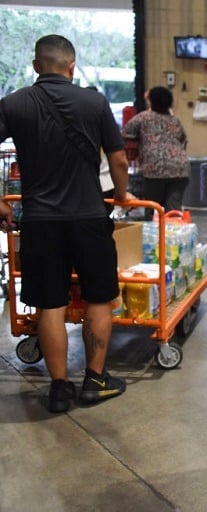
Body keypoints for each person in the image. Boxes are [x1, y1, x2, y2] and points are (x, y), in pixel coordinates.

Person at [0, 34, 134, 413]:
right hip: (90, 217)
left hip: (40, 220)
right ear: (72, 66)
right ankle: (95, 381)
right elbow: (119, 159)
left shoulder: (14, 103)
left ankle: (59, 388)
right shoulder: (94, 102)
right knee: (99, 299)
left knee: (51, 305)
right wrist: (122, 195)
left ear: (35, 65)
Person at [122, 86, 190, 219]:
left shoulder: (143, 118)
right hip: (180, 169)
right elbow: (183, 139)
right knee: (173, 210)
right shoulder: (174, 120)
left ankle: (153, 231)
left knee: (152, 208)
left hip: (154, 169)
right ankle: (172, 231)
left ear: (151, 101)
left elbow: (125, 133)